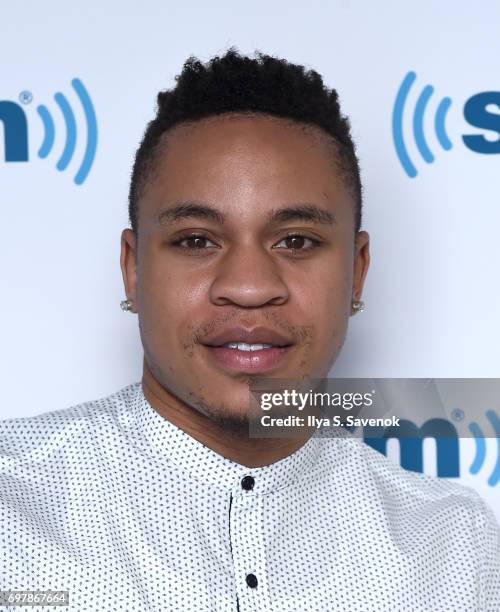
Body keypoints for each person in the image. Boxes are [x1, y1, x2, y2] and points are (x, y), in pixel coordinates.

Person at [1, 47, 498, 612]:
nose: (248, 285)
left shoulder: (454, 545)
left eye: (296, 241)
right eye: (196, 240)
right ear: (133, 269)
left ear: (357, 272)